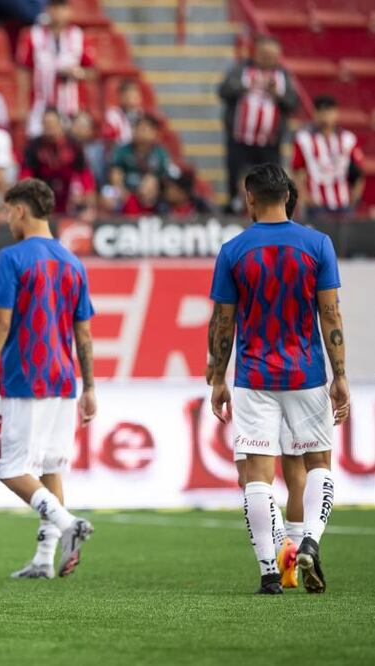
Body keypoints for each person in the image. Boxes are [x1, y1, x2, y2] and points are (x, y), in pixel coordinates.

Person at [206, 163, 347, 595]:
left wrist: (217, 376)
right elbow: (330, 315)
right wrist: (339, 375)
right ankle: (309, 541)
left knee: (256, 475)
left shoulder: (234, 250)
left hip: (254, 377)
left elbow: (223, 322)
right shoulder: (317, 244)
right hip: (306, 375)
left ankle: (270, 571)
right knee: (318, 464)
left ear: (249, 198)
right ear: (288, 196)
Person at [0, 179, 96, 579]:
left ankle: (67, 523)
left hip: (26, 377)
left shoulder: (12, 258)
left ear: (21, 210)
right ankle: (44, 560)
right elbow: (85, 333)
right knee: (50, 466)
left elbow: (1, 322)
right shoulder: (73, 262)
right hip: (64, 381)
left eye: (9, 212)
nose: (8, 220)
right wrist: (89, 386)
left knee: (9, 468)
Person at [218, 35, 299, 213]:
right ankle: (235, 209)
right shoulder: (242, 70)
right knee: (236, 179)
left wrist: (278, 94)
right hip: (240, 139)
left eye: (272, 54)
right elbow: (223, 90)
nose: (268, 58)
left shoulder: (283, 76)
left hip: (270, 143)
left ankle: (269, 212)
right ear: (255, 53)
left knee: (271, 181)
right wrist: (244, 86)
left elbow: (294, 102)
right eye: (264, 54)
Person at [17, 0, 95, 137]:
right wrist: (23, 105)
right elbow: (23, 71)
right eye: (54, 8)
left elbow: (92, 72)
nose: (58, 13)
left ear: (69, 11)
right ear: (47, 10)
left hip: (72, 106)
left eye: (61, 8)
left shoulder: (78, 36)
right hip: (40, 105)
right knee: (38, 147)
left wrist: (78, 73)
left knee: (73, 147)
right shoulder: (33, 35)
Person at [291, 96, 365, 217]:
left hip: (344, 204)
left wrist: (354, 198)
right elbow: (297, 172)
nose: (325, 116)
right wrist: (306, 198)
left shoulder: (348, 139)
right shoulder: (304, 139)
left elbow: (359, 172)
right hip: (317, 206)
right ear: (314, 113)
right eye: (321, 111)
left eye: (329, 111)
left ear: (336, 113)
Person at [21, 107, 95, 216]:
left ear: (60, 124)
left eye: (52, 123)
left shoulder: (73, 146)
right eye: (46, 124)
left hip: (67, 197)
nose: (49, 127)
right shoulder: (34, 146)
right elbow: (25, 175)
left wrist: (89, 203)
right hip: (41, 196)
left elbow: (85, 175)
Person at [109, 115, 173, 193]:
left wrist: (155, 181)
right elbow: (115, 173)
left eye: (145, 130)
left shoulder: (160, 153)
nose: (141, 133)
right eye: (138, 129)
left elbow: (166, 177)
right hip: (127, 192)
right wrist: (123, 193)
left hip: (153, 194)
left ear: (153, 133)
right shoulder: (122, 150)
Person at [102, 79, 144, 147]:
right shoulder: (112, 114)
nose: (131, 97)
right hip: (120, 151)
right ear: (120, 97)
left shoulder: (142, 114)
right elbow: (111, 139)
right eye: (127, 95)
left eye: (134, 94)